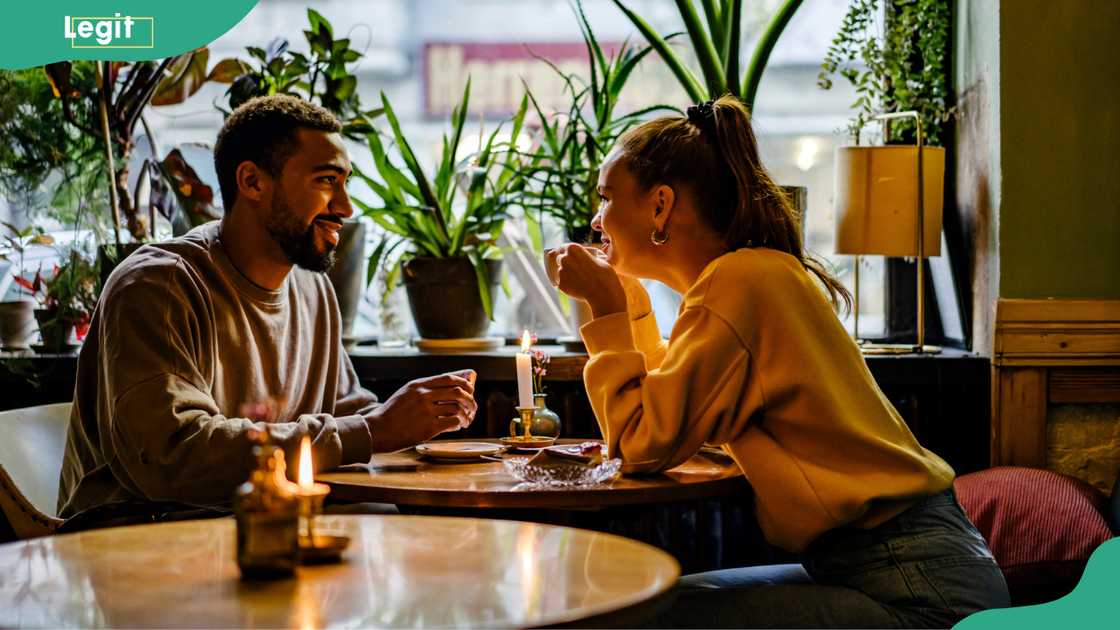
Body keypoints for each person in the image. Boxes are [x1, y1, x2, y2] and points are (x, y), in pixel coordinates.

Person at [548, 96, 1009, 628]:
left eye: (606, 198)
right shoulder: (752, 276)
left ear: (660, 206)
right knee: (654, 603)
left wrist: (604, 308)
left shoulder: (739, 282)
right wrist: (629, 303)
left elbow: (639, 445)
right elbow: (674, 415)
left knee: (647, 614)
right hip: (902, 567)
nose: (595, 218)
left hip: (918, 590)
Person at [57, 95, 477, 525]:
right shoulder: (157, 286)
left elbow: (347, 417)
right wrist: (375, 431)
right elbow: (173, 455)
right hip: (135, 544)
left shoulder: (313, 289)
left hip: (263, 526)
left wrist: (418, 422)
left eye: (345, 182)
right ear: (253, 182)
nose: (346, 208)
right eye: (326, 181)